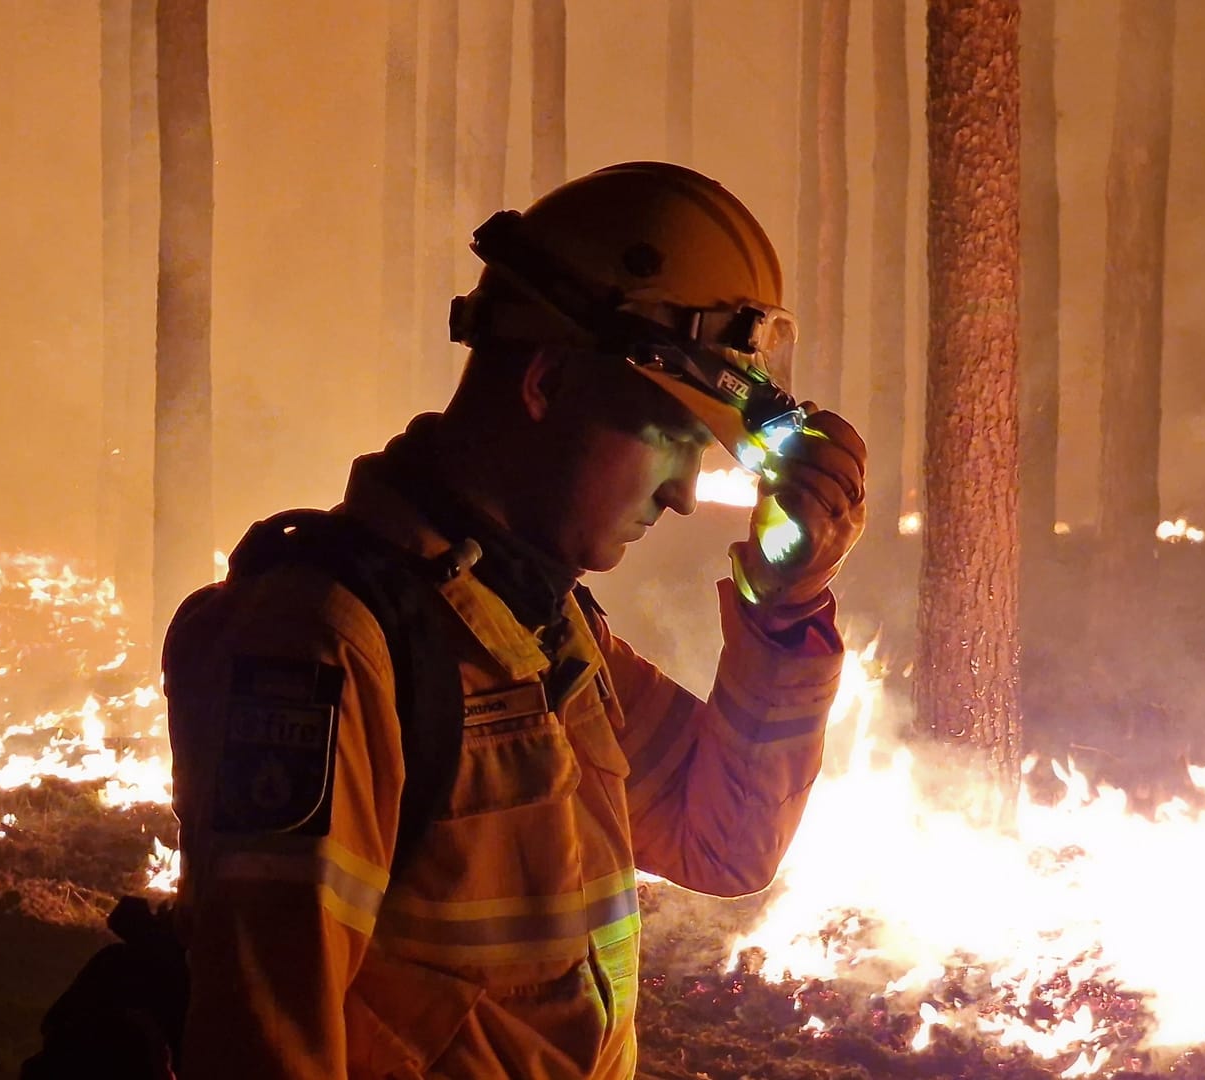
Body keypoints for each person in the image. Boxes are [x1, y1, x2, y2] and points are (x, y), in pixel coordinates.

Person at [163, 161, 866, 1078]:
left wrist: (787, 608)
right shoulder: (333, 647)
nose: (688, 496)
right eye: (673, 439)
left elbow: (723, 842)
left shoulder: (542, 630)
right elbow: (267, 1047)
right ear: (549, 383)